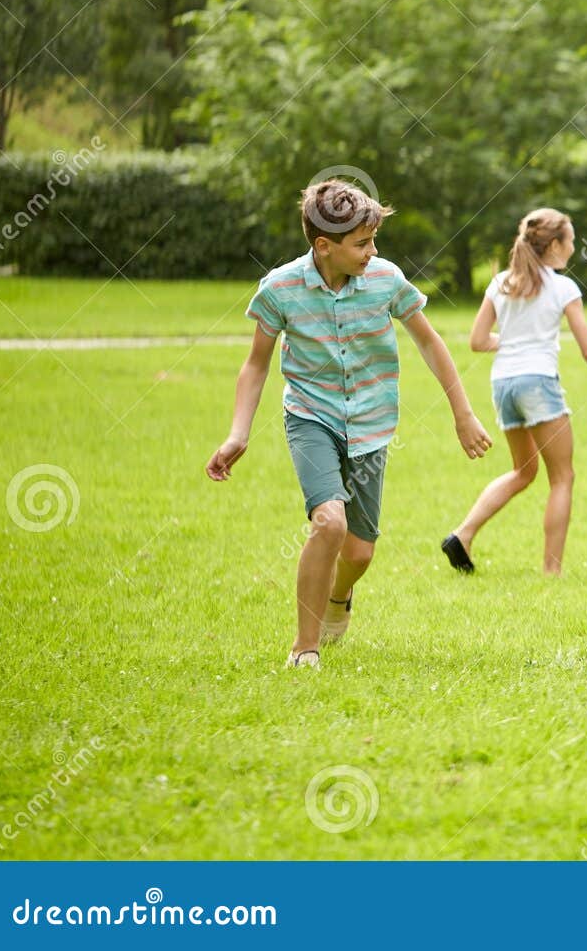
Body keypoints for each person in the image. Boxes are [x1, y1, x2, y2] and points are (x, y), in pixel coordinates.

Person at [206, 179, 492, 669]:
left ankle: (339, 598)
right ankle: (304, 646)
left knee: (359, 554)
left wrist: (462, 412)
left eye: (373, 240)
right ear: (324, 246)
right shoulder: (280, 288)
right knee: (329, 523)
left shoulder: (384, 279)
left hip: (371, 423)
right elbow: (256, 364)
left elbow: (429, 342)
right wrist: (238, 432)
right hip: (311, 417)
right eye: (361, 243)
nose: (372, 251)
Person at [441, 209, 587, 577]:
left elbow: (478, 341)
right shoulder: (562, 287)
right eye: (571, 241)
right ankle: (552, 571)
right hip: (538, 382)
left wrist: (514, 341)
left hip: (504, 385)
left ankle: (462, 535)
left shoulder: (500, 282)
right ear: (556, 245)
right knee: (562, 476)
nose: (574, 247)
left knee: (523, 471)